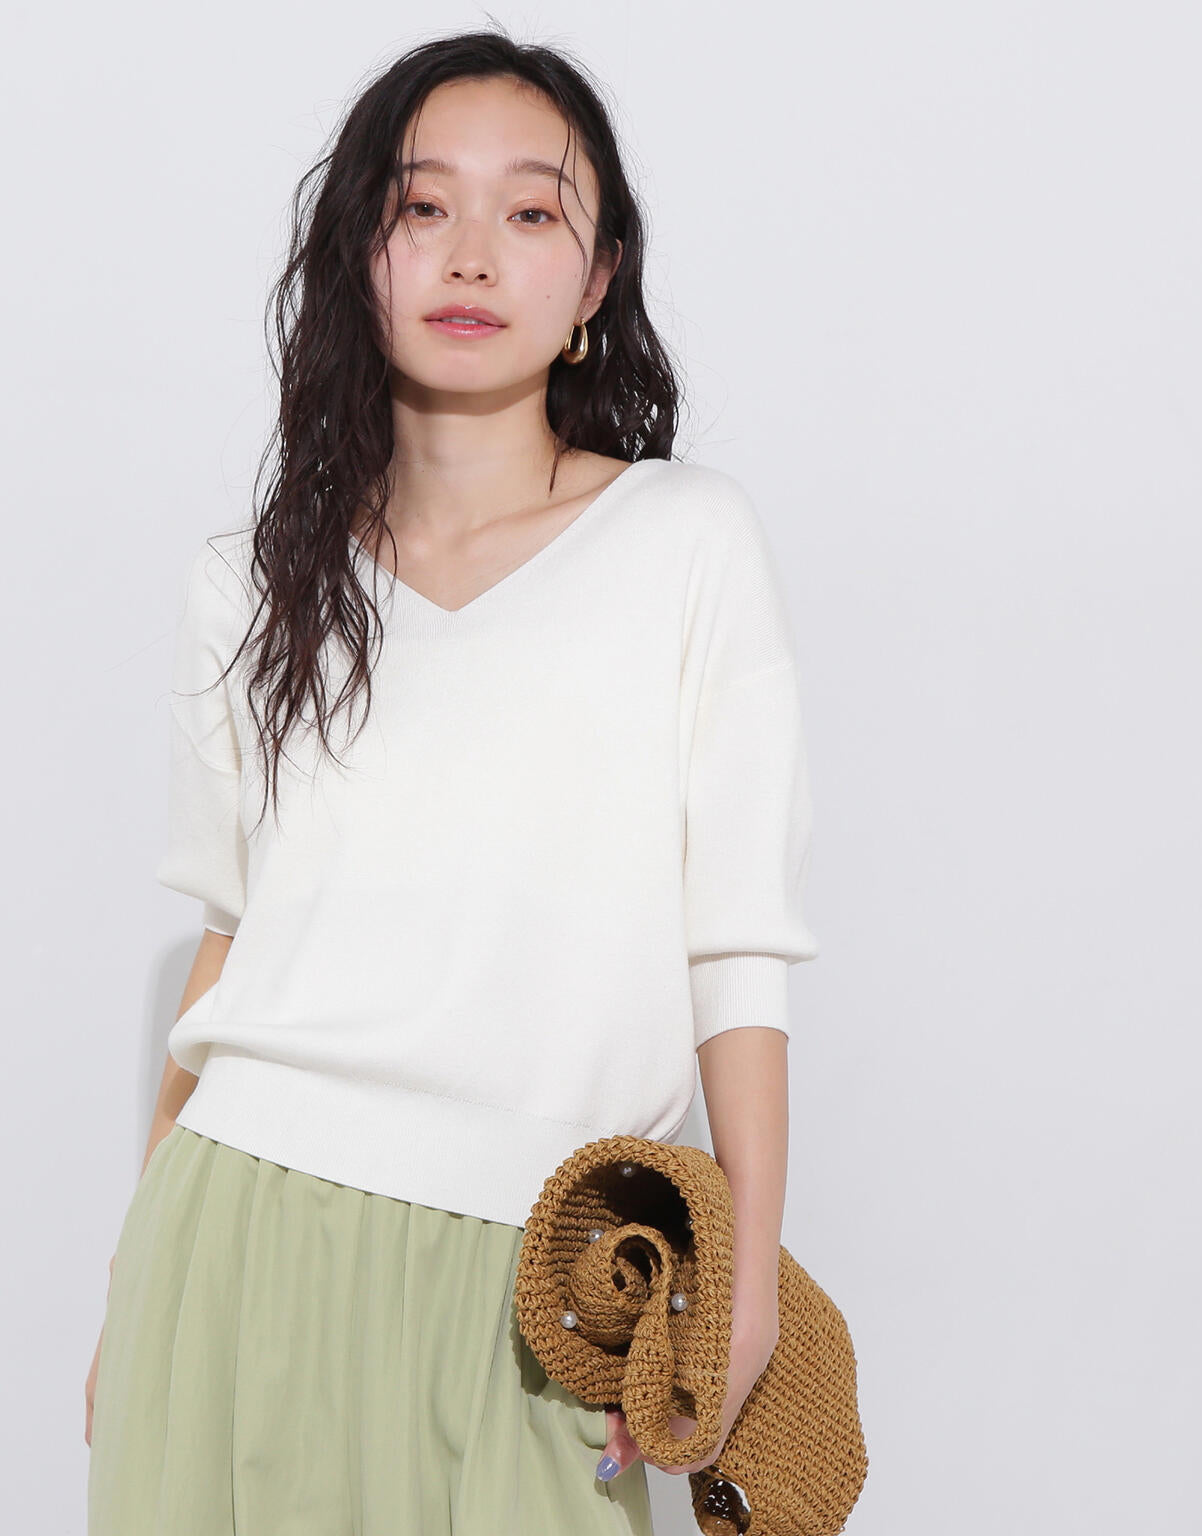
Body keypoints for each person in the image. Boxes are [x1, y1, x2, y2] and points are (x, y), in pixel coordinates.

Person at [84, 26, 819, 1536]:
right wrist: (130, 1278)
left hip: (541, 1290)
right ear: (360, 251)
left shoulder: (686, 542)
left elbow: (737, 946)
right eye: (423, 206)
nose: (472, 252)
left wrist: (741, 1288)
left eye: (532, 211)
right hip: (236, 1238)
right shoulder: (252, 583)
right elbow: (231, 937)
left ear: (598, 278)